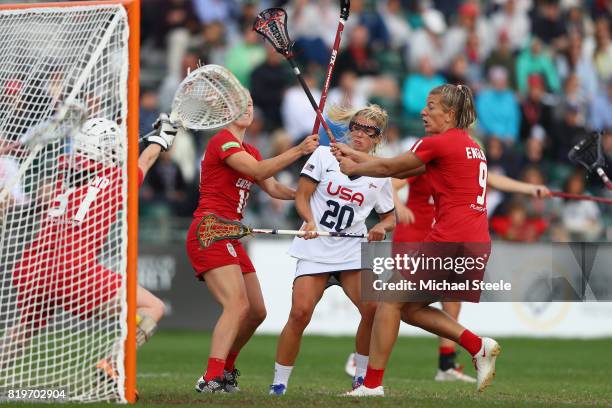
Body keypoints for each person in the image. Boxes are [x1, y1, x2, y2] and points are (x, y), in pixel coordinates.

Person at [333, 84, 500, 396]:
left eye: (432, 106)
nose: (424, 111)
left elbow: (389, 167)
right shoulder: (472, 146)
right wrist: (355, 158)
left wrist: (354, 163)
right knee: (407, 308)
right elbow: (399, 166)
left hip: (450, 239)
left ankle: (371, 385)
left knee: (388, 301)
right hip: (476, 241)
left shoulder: (438, 143)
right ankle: (478, 346)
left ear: (449, 114)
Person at [2, 117, 176, 383]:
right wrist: (164, 136)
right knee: (154, 307)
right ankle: (112, 364)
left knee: (23, 329)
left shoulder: (61, 171)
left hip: (34, 267)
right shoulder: (117, 178)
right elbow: (146, 160)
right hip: (74, 271)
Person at [187, 94, 319, 393]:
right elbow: (259, 172)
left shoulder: (251, 149)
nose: (247, 107)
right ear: (225, 111)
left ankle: (226, 370)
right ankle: (211, 377)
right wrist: (299, 149)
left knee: (257, 311)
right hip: (210, 230)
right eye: (239, 103)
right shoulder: (222, 141)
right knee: (236, 304)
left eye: (249, 102)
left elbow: (272, 187)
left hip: (230, 234)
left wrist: (312, 190)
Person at [269, 105, 396, 396]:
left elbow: (388, 216)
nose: (360, 134)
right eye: (356, 127)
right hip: (317, 246)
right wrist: (309, 220)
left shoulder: (379, 173)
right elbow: (302, 196)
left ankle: (362, 378)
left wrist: (382, 228)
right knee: (300, 313)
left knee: (373, 310)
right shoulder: (324, 155)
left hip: (352, 249)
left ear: (378, 138)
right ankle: (279, 383)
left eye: (369, 131)